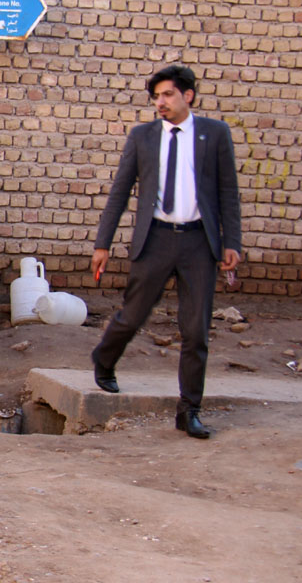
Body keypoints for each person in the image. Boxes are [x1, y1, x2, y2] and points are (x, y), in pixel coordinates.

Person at [90, 64, 241, 439]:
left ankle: (189, 410)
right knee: (133, 314)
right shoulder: (142, 137)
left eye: (167, 94)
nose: (160, 102)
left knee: (196, 332)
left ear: (188, 95)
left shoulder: (215, 134)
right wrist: (102, 244)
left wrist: (231, 243)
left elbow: (228, 192)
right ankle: (104, 359)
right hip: (154, 239)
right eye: (156, 96)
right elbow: (120, 192)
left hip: (198, 243)